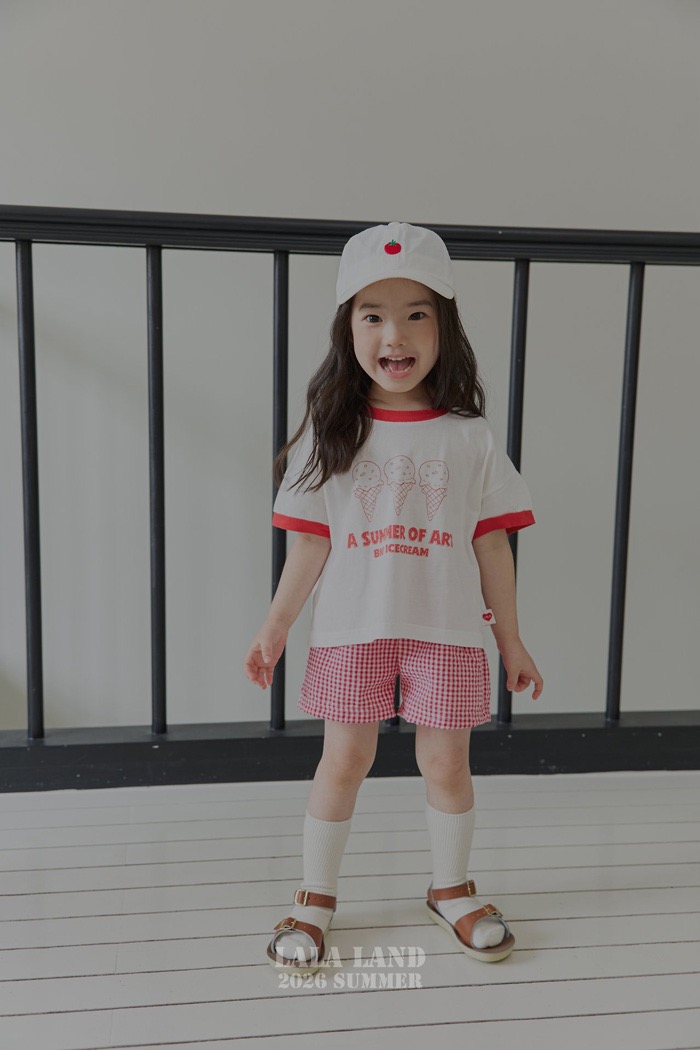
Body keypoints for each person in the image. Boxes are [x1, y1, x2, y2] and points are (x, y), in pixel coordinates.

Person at [243, 221, 543, 974]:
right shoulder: (331, 433)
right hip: (354, 629)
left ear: (445, 328)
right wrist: (275, 627)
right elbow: (310, 544)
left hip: (448, 630)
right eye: (373, 315)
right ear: (348, 329)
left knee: (447, 764)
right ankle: (314, 899)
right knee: (344, 759)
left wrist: (511, 640)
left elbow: (492, 545)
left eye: (416, 314)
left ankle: (452, 889)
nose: (395, 334)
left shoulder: (470, 437)